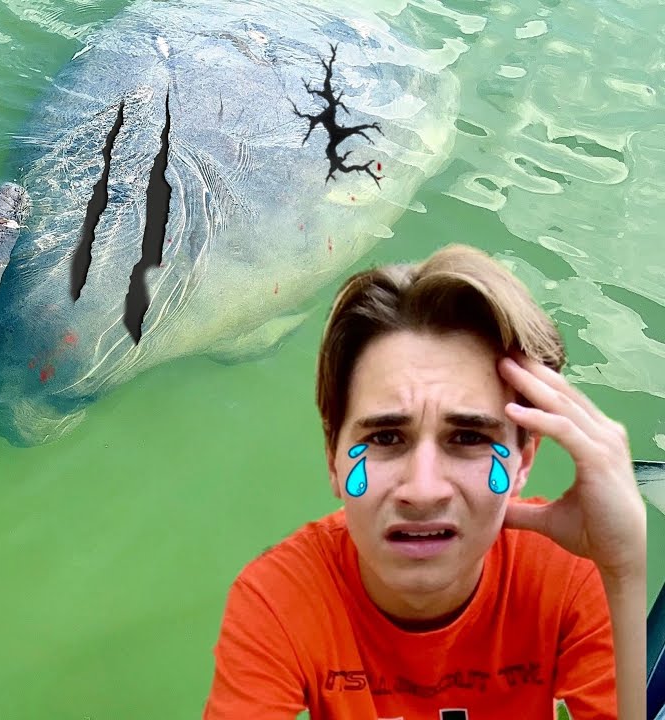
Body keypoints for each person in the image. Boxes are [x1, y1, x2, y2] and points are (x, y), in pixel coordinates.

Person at [202, 244, 646, 719]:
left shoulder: (571, 571)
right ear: (333, 459)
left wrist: (623, 571)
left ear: (522, 462)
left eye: (469, 437)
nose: (423, 490)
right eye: (386, 437)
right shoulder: (279, 599)